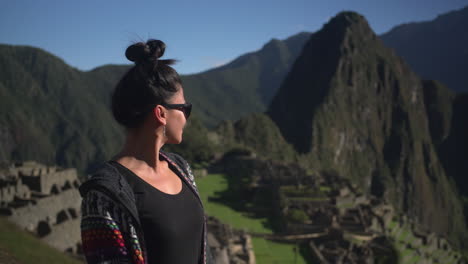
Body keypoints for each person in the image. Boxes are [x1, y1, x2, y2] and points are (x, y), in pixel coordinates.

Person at [79, 39, 213, 264]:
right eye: (184, 108)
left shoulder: (181, 168)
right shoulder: (104, 196)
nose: (187, 117)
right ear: (161, 114)